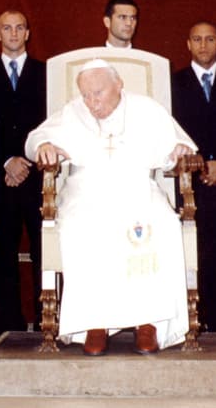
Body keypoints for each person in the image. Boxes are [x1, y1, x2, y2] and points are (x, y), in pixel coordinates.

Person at [24, 60, 196, 354]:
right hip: (86, 192)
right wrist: (44, 147)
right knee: (82, 227)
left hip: (138, 187)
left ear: (118, 85)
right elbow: (34, 139)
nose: (92, 103)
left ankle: (148, 322)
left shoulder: (147, 109)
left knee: (163, 223)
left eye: (98, 93)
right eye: (86, 95)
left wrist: (179, 150)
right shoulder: (73, 112)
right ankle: (95, 324)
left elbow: (179, 147)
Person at [171, 20, 216, 333]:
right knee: (192, 257)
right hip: (189, 186)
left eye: (210, 39)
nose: (203, 45)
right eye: (197, 39)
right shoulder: (173, 84)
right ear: (188, 44)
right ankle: (190, 326)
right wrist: (196, 161)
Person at [0, 9, 46, 338]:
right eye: (7, 28)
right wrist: (7, 161)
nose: (14, 33)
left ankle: (47, 323)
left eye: (20, 27)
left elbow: (50, 124)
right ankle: (7, 327)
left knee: (42, 249)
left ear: (28, 33)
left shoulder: (44, 72)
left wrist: (28, 160)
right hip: (2, 176)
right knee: (3, 251)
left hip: (37, 177)